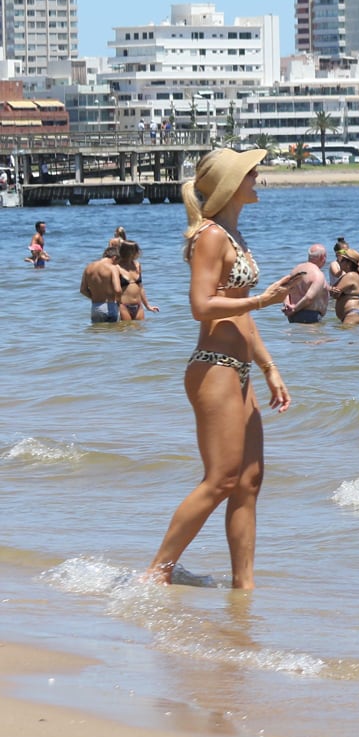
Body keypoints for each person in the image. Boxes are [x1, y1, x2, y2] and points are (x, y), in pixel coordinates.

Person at [146, 148, 297, 588]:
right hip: (213, 366)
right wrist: (261, 299)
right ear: (231, 185)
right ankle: (157, 573)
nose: (258, 178)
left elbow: (239, 315)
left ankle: (243, 588)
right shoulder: (210, 236)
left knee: (248, 481)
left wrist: (269, 366)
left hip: (240, 368)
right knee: (221, 478)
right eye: (251, 173)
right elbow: (202, 306)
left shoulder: (234, 235)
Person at [282, 244, 329, 323]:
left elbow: (285, 290)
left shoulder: (296, 270)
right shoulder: (318, 274)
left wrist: (287, 306)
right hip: (310, 316)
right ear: (322, 257)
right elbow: (309, 298)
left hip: (293, 316)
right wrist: (294, 309)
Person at [80, 240, 124, 323]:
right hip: (110, 306)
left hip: (95, 308)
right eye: (118, 262)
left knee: (98, 333)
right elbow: (117, 290)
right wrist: (119, 302)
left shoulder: (89, 267)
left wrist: (94, 297)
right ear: (114, 257)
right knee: (112, 334)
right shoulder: (112, 268)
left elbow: (83, 290)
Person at [116, 238, 158, 321]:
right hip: (123, 305)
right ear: (129, 252)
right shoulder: (117, 267)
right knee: (126, 331)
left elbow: (141, 288)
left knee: (139, 332)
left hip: (139, 306)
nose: (138, 252)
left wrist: (148, 306)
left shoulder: (137, 265)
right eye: (136, 250)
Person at [330, 246, 359, 325]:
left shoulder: (351, 275)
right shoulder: (348, 276)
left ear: (348, 263)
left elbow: (333, 293)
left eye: (342, 260)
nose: (339, 262)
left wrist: (328, 288)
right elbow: (333, 292)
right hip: (351, 314)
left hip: (352, 314)